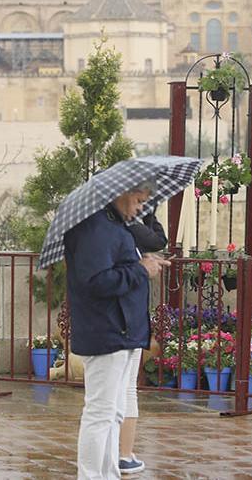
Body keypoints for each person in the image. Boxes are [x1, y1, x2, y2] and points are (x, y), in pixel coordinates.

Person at [65, 180, 166, 480]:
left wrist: (142, 262)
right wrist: (140, 269)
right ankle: (93, 475)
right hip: (107, 331)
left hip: (122, 332)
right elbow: (96, 281)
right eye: (137, 201)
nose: (139, 209)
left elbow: (115, 267)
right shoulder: (95, 228)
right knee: (100, 413)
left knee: (113, 413)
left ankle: (107, 473)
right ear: (121, 195)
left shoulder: (114, 224)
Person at [118, 208, 167, 476]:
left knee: (123, 390)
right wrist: (142, 269)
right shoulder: (118, 229)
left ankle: (124, 453)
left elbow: (157, 240)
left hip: (130, 323)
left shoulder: (123, 227)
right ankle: (122, 455)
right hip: (122, 324)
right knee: (119, 392)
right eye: (138, 200)